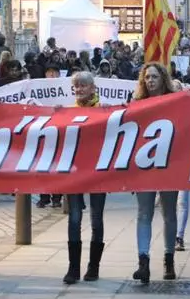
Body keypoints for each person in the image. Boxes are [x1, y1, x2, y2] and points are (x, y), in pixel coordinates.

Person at [130, 63, 180, 283]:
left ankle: (169, 258)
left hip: (169, 165)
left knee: (169, 213)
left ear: (163, 79)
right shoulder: (137, 104)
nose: (150, 80)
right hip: (144, 166)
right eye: (147, 77)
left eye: (155, 77)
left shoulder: (176, 102)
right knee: (144, 213)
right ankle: (143, 261)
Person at [64, 71, 108, 284]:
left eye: (83, 86)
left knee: (96, 218)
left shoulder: (104, 110)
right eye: (77, 86)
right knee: (74, 218)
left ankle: (93, 267)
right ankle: (73, 268)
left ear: (93, 88)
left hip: (98, 172)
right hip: (74, 172)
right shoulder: (68, 112)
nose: (80, 89)